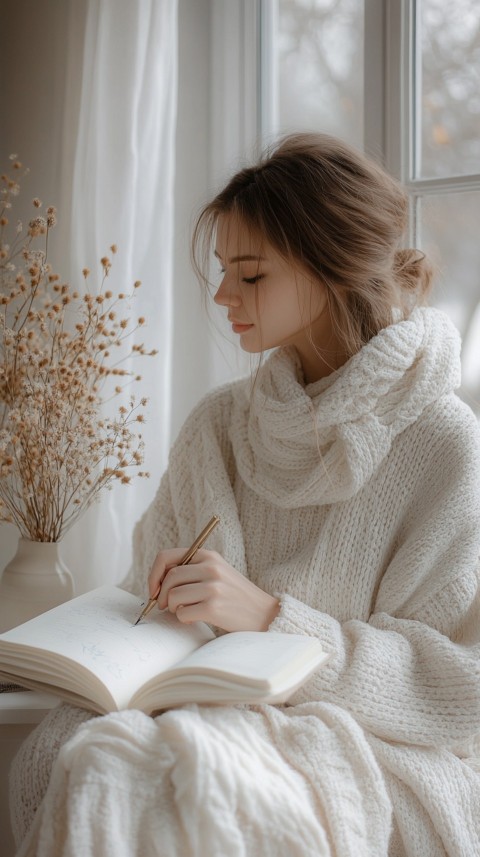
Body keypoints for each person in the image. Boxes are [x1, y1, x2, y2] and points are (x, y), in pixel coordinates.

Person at [10, 133, 480, 857]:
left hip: (365, 738)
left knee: (162, 790)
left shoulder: (443, 442)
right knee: (89, 762)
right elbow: (143, 598)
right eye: (225, 271)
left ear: (331, 270)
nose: (224, 295)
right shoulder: (220, 426)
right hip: (193, 709)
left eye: (251, 275)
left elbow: (454, 687)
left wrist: (268, 616)